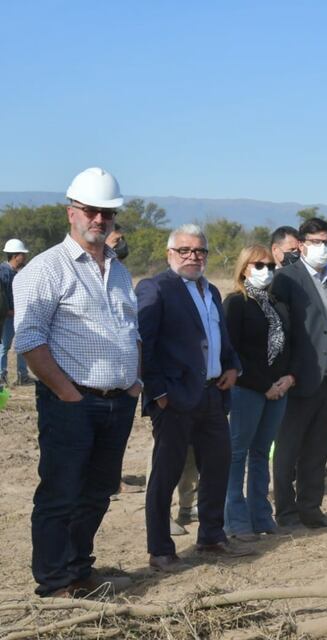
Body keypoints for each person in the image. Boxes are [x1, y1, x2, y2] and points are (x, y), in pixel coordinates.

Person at [14, 167, 140, 597]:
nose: (99, 220)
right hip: (72, 401)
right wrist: (67, 393)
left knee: (98, 492)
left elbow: (131, 330)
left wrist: (133, 381)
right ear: (72, 213)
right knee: (61, 493)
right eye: (91, 211)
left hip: (117, 402)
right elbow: (29, 340)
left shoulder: (119, 271)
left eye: (107, 212)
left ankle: (79, 570)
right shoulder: (46, 268)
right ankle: (53, 583)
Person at [138, 224, 246, 572]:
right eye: (184, 250)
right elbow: (144, 344)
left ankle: (211, 537)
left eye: (199, 251)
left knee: (217, 467)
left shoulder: (210, 291)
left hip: (212, 394)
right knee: (166, 474)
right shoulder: (156, 288)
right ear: (170, 253)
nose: (192, 257)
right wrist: (159, 392)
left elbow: (221, 338)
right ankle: (160, 548)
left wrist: (233, 366)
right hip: (175, 399)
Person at [270, 217, 327, 529]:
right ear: (301, 245)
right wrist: (289, 374)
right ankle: (287, 513)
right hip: (299, 380)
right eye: (316, 242)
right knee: (288, 448)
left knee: (317, 449)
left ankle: (311, 509)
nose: (323, 248)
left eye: (326, 242)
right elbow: (281, 332)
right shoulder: (287, 279)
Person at [223, 245, 293, 541]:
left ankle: (261, 515)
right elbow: (232, 350)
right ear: (244, 268)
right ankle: (235, 521)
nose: (266, 270)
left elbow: (286, 348)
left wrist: (286, 380)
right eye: (258, 265)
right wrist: (263, 385)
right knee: (237, 455)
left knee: (261, 453)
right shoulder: (236, 303)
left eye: (269, 265)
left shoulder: (277, 304)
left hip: (278, 390)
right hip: (247, 389)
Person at [1, 238, 30, 386]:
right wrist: (8, 312)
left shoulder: (17, 273)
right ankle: (1, 376)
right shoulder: (2, 273)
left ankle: (22, 376)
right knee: (3, 346)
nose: (24, 257)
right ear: (15, 256)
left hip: (18, 316)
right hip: (7, 318)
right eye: (22, 254)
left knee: (22, 345)